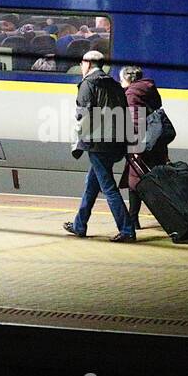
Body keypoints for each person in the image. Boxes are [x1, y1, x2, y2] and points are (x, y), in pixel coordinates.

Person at [64, 50, 135, 242]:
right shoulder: (114, 84)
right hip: (116, 142)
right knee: (92, 184)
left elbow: (83, 116)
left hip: (98, 143)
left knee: (109, 188)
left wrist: (78, 140)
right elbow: (125, 114)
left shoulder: (88, 84)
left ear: (87, 63)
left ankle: (127, 230)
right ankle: (79, 225)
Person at [117, 64, 169, 231]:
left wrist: (136, 148)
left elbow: (135, 122)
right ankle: (164, 216)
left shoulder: (132, 94)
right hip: (155, 143)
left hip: (141, 144)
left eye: (121, 79)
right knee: (153, 180)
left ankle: (134, 220)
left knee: (135, 183)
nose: (120, 82)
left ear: (128, 79)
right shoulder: (149, 88)